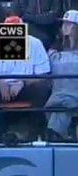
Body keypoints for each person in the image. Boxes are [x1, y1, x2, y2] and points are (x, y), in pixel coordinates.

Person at [45, 10, 78, 141]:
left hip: (73, 94)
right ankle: (58, 135)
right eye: (64, 23)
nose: (64, 26)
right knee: (61, 107)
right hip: (58, 95)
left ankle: (55, 134)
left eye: (69, 24)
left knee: (61, 108)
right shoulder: (54, 50)